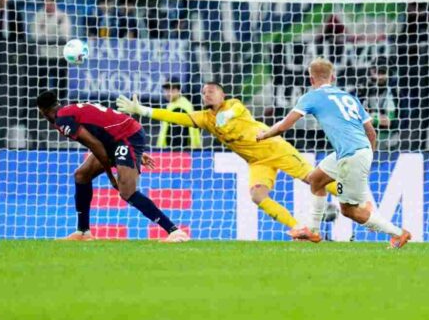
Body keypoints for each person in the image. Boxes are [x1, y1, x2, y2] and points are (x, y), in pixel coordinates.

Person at [116, 81, 342, 236]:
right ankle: (298, 228)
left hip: (275, 149)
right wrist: (143, 110)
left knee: (314, 180)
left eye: (212, 90)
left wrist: (226, 115)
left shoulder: (234, 105)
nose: (208, 93)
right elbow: (175, 117)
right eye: (204, 92)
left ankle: (357, 201)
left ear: (222, 94)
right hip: (257, 162)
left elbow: (233, 111)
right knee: (257, 195)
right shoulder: (205, 118)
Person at [257, 58, 413, 249]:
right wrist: (367, 157)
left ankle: (398, 234)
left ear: (311, 79)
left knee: (349, 211)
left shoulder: (311, 97)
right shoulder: (349, 97)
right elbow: (371, 132)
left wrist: (264, 135)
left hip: (351, 155)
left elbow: (285, 125)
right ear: (333, 77)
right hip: (353, 151)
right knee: (316, 179)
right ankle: (313, 231)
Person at [36, 90, 189, 242]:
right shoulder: (70, 110)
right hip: (117, 140)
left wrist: (111, 176)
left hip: (127, 137)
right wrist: (135, 155)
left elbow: (95, 145)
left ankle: (174, 231)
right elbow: (101, 131)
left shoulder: (62, 119)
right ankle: (83, 232)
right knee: (81, 175)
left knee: (126, 191)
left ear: (43, 112)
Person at [155, 78, 202, 149]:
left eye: (172, 89)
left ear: (179, 90)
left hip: (177, 153)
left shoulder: (179, 108)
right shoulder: (173, 105)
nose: (168, 92)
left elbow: (178, 136)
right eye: (166, 89)